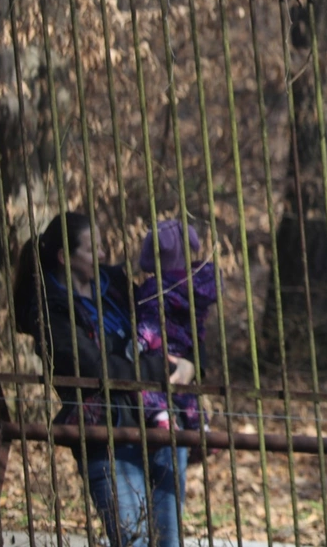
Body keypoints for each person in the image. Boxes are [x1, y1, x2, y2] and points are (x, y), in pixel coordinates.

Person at [14, 211, 195, 547]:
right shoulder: (50, 312)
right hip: (107, 437)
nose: (102, 254)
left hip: (162, 427)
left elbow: (167, 328)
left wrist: (188, 365)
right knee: (134, 542)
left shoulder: (116, 285)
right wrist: (161, 370)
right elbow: (95, 369)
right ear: (65, 258)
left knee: (170, 542)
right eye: (91, 247)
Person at [132, 218, 217, 431]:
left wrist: (140, 341)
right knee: (185, 391)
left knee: (149, 387)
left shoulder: (156, 288)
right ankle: (200, 426)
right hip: (185, 347)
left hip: (160, 347)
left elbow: (151, 320)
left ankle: (161, 416)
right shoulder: (195, 286)